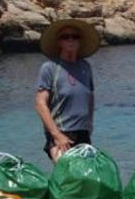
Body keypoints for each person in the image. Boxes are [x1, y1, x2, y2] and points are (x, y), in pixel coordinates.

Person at [35, 19, 101, 162]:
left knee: (84, 179)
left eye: (75, 36)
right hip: (61, 132)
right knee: (67, 174)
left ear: (80, 41)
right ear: (59, 43)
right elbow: (40, 104)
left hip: (83, 133)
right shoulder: (50, 68)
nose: (70, 40)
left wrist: (89, 123)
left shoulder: (85, 67)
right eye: (65, 37)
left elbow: (90, 96)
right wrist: (56, 135)